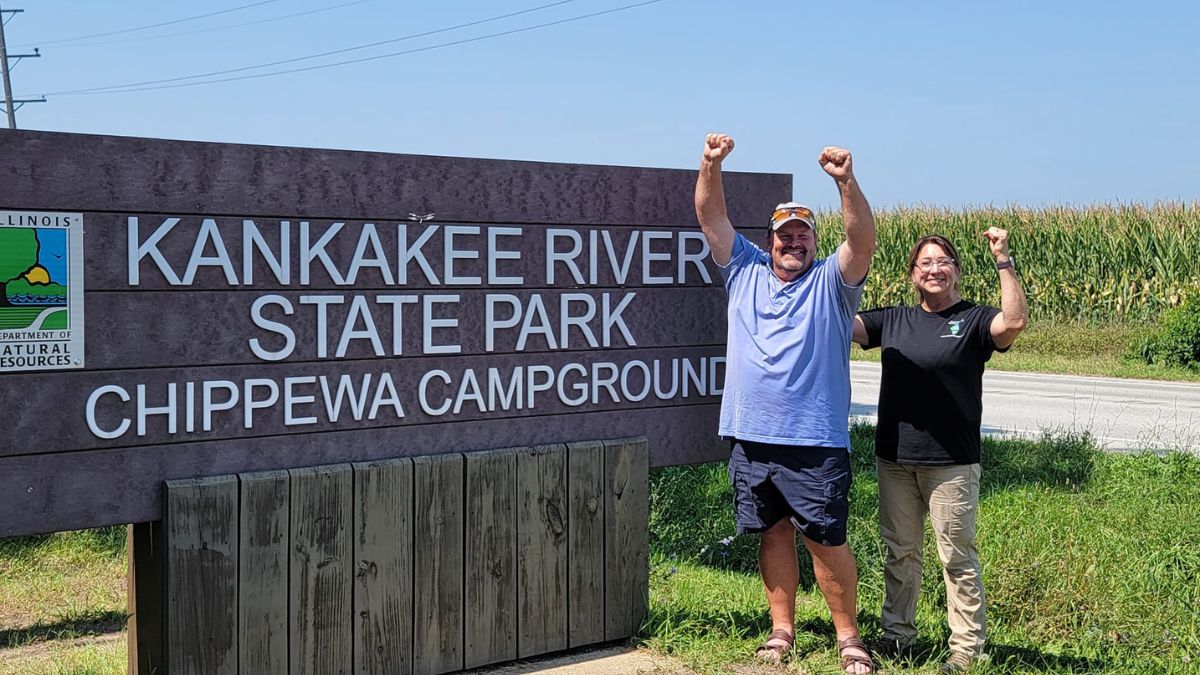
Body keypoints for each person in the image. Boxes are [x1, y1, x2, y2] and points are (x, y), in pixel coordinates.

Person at [695, 133, 877, 674]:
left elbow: (861, 239)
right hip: (750, 435)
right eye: (784, 236)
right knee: (772, 534)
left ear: (814, 243)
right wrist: (710, 164)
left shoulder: (833, 283)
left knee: (824, 538)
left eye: (801, 236)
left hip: (814, 439)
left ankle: (848, 637)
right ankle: (782, 629)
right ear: (769, 241)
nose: (792, 244)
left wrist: (845, 182)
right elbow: (710, 217)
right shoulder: (744, 269)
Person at [852, 229, 1028, 673]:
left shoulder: (974, 319)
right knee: (901, 552)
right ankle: (897, 636)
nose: (934, 269)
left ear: (957, 271)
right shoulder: (892, 320)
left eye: (942, 261)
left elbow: (1014, 323)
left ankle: (966, 651)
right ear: (912, 275)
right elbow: (842, 322)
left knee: (956, 557)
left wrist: (1003, 259)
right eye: (924, 263)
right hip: (894, 458)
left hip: (951, 462)